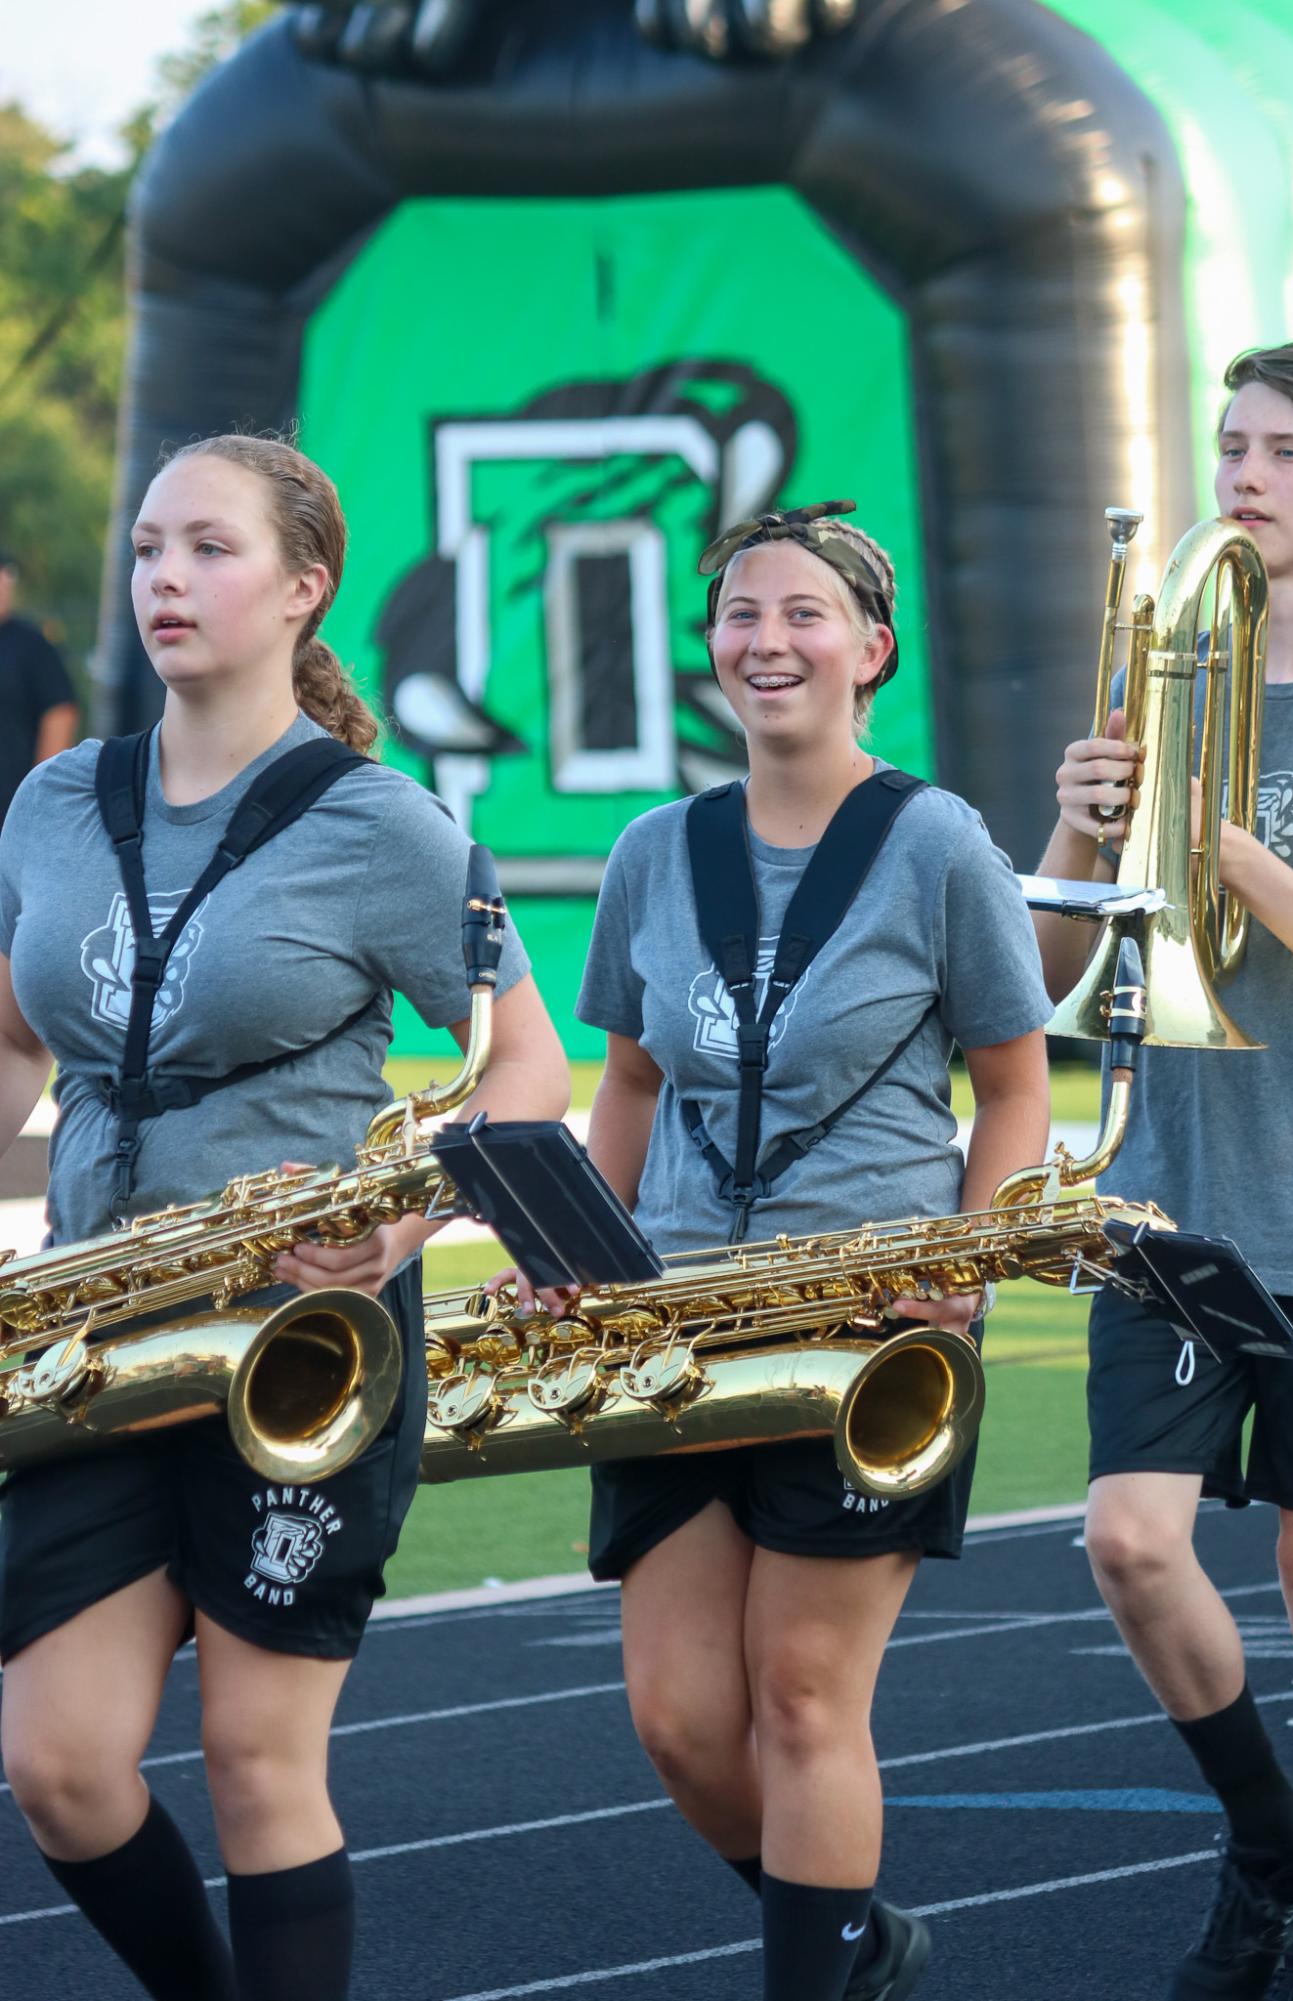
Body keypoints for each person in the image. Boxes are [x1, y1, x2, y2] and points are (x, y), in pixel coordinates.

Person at [0, 433, 569, 2001]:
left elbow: (521, 1056)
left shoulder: (382, 824)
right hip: (95, 1329)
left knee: (257, 1760)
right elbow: (11, 1034)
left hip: (297, 1338)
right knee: (58, 1760)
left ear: (305, 587)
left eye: (210, 550)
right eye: (148, 550)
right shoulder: (54, 801)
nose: (165, 580)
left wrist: (399, 1237)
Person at [567, 501, 1051, 2001]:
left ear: (868, 650)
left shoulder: (937, 842)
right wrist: (571, 1253)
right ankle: (855, 1941)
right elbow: (631, 1084)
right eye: (738, 616)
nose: (764, 641)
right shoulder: (655, 849)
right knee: (678, 1720)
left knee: (797, 1691)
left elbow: (1016, 1083)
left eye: (800, 615)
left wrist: (964, 1263)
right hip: (674, 1330)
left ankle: (813, 1975)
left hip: (867, 1334)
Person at [1032, 339, 1293, 2001]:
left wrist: (1226, 853)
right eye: (1229, 444)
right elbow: (1041, 950)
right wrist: (1082, 824)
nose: (1241, 474)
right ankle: (1263, 1843)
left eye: (1282, 448)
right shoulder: (1176, 671)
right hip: (1164, 1188)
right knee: (1128, 1539)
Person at [0, 547, 79, 827]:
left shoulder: (30, 645)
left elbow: (60, 713)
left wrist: (40, 797)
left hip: (10, 814)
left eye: (8, 575)